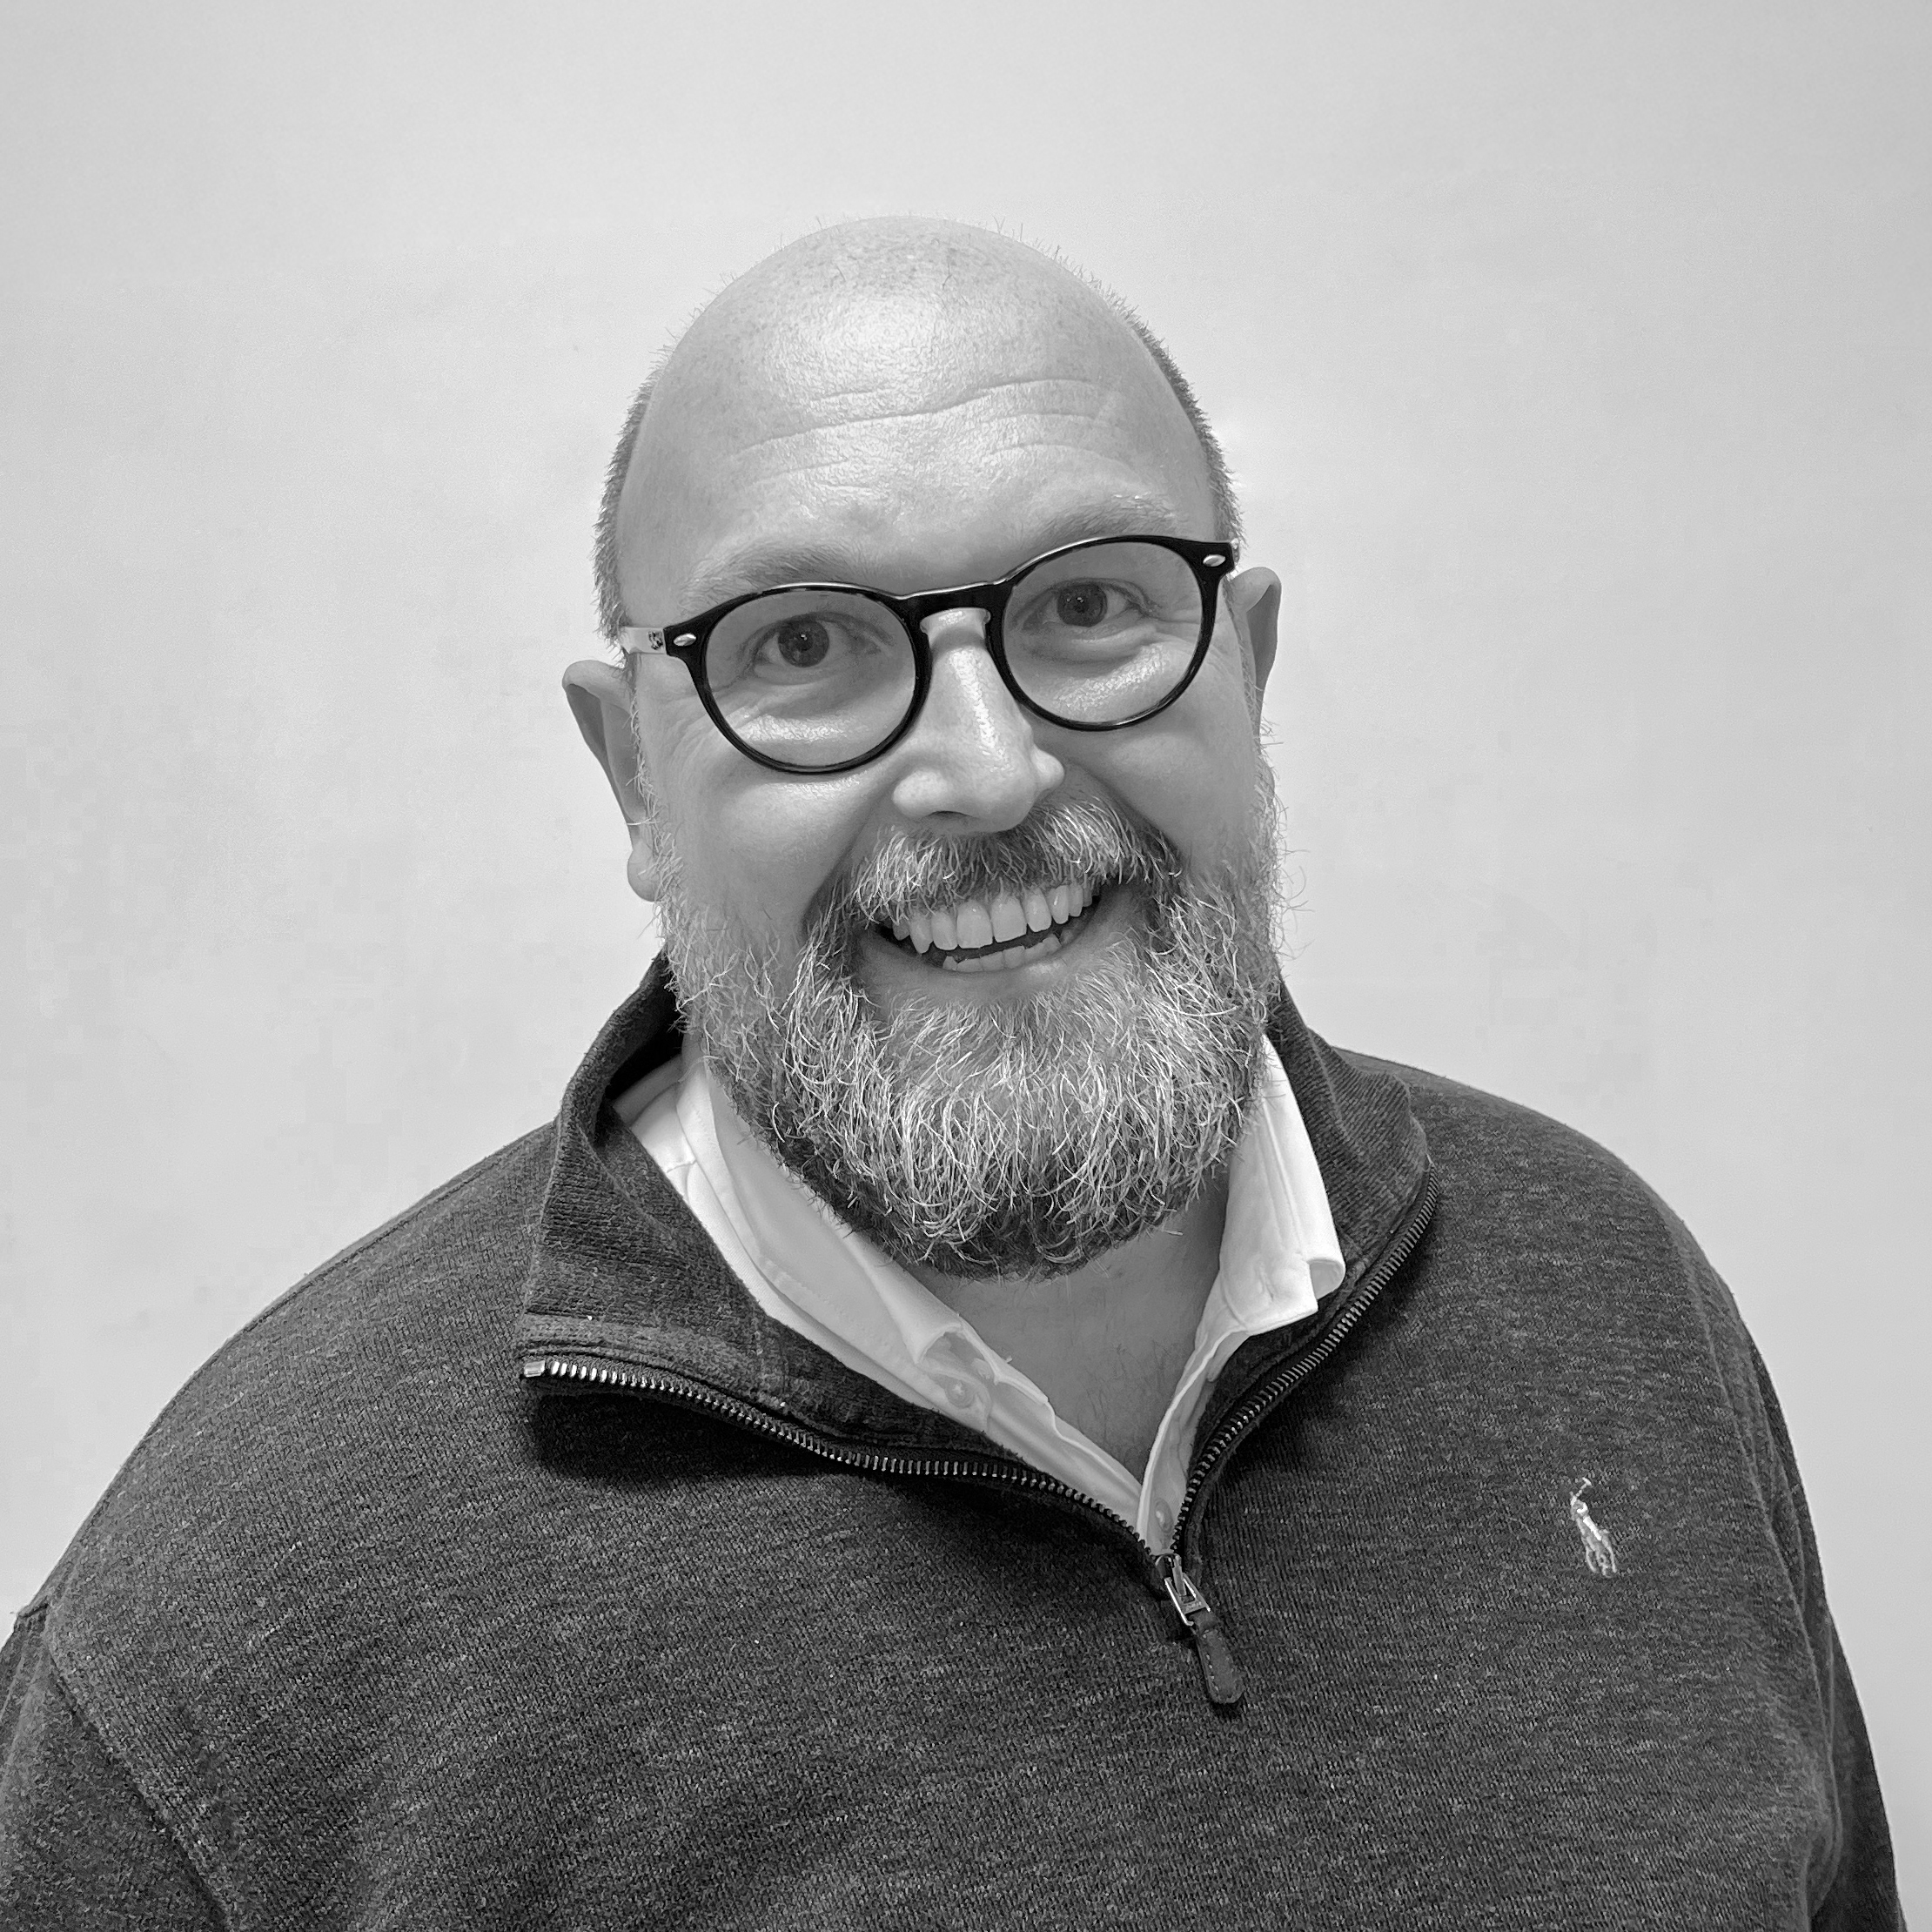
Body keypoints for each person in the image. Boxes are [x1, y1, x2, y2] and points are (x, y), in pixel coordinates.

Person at [0, 218, 1900, 1929]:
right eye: (803, 646)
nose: (988, 772)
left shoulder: (1610, 1300)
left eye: (1092, 607)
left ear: (1244, 669)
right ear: (636, 777)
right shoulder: (240, 1617)